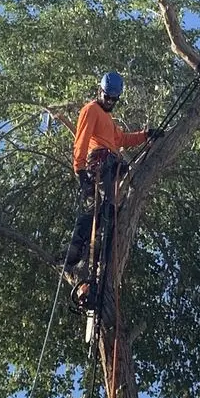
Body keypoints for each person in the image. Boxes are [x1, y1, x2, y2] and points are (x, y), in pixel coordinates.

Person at [64, 71, 162, 269]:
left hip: (112, 164)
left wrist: (147, 134)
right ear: (100, 91)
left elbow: (123, 139)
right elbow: (81, 140)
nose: (109, 101)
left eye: (113, 99)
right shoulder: (91, 110)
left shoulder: (109, 122)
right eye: (106, 96)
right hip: (99, 162)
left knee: (109, 209)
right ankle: (76, 247)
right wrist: (80, 170)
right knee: (102, 206)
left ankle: (96, 249)